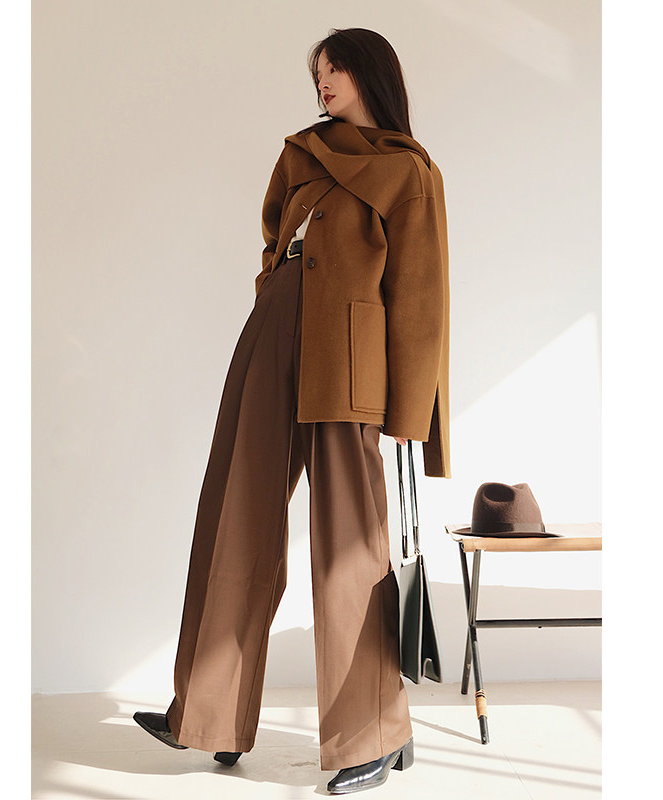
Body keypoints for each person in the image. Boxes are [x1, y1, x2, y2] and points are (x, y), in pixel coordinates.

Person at [133, 26, 450, 795]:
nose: (322, 81)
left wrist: (410, 416)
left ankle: (372, 735)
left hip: (349, 358)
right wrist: (272, 308)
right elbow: (275, 245)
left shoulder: (409, 172)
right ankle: (207, 714)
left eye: (335, 68)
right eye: (317, 72)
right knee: (234, 520)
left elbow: (420, 298)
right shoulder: (301, 154)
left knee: (348, 551)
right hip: (272, 339)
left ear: (370, 73)